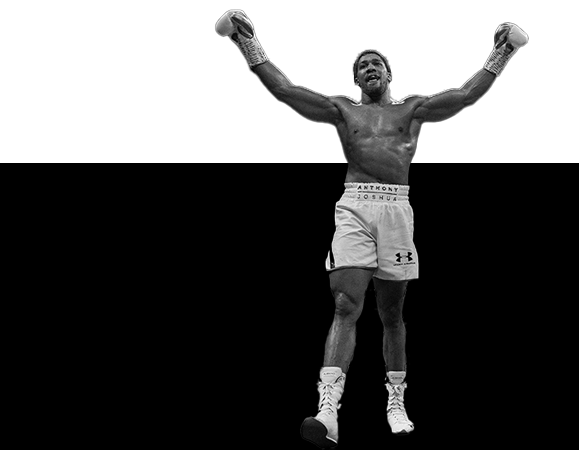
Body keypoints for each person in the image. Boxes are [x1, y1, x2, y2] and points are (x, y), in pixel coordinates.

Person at [216, 10, 527, 448]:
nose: (370, 67)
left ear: (388, 75)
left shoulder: (413, 109)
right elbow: (286, 91)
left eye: (376, 62)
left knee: (392, 314)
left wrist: (503, 51)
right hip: (355, 207)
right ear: (357, 80)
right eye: (363, 65)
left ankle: (396, 400)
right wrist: (247, 41)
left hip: (397, 210)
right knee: (345, 304)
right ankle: (328, 410)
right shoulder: (342, 110)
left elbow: (464, 97)